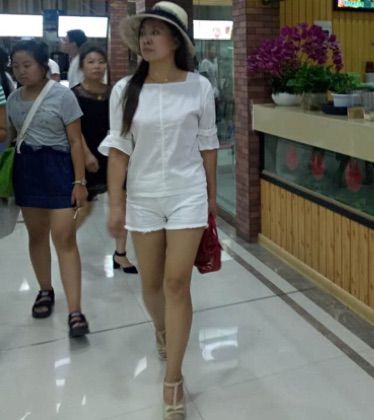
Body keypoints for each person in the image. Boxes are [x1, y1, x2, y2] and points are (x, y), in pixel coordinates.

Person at [99, 2, 219, 419]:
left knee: (176, 284)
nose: (147, 39)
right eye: (144, 32)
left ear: (175, 41)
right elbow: (118, 150)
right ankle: (163, 329)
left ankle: (173, 379)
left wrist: (211, 200)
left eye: (156, 32)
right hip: (144, 196)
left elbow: (208, 145)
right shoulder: (125, 90)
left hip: (188, 194)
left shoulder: (199, 87)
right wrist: (116, 204)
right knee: (150, 285)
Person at [7, 40, 90, 338]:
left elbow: (76, 142)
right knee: (37, 235)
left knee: (65, 238)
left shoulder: (62, 95)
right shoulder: (13, 99)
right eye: (16, 66)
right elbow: (12, 138)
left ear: (43, 65)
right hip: (27, 170)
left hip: (59, 170)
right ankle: (45, 290)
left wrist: (79, 182)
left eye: (27, 65)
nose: (21, 71)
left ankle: (75, 311)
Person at [72, 44, 137, 273]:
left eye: (101, 62)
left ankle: (120, 254)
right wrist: (86, 155)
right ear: (82, 66)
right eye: (91, 62)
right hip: (86, 156)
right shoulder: (74, 95)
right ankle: (65, 244)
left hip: (114, 155)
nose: (97, 67)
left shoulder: (115, 92)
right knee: (84, 206)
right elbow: (74, 130)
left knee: (122, 202)